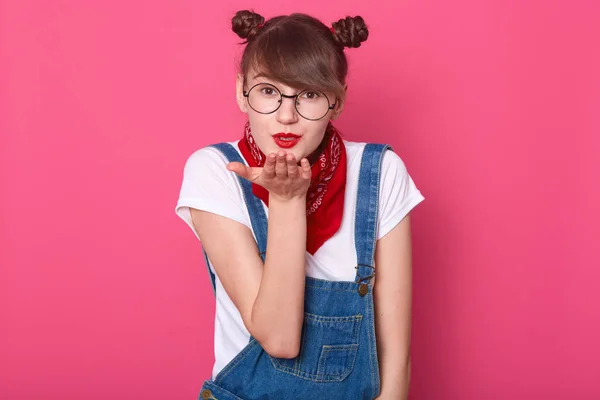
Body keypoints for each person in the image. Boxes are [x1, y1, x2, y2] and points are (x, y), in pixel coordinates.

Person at [175, 10, 425, 400]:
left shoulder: (379, 173)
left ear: (337, 101)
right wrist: (287, 198)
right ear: (241, 91)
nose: (287, 116)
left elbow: (396, 363)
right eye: (268, 92)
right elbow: (279, 338)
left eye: (309, 94)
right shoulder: (216, 171)